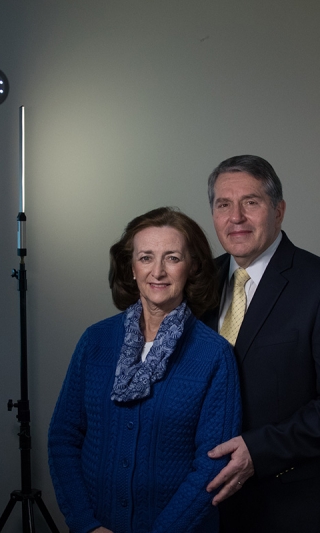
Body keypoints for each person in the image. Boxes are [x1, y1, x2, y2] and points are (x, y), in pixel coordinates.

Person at [48, 207, 242, 533]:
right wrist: (86, 525)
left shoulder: (214, 355)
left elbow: (212, 464)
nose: (158, 271)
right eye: (146, 257)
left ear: (192, 266)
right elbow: (63, 439)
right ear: (131, 268)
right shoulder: (95, 342)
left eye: (172, 258)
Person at [202, 155, 320, 533]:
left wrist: (259, 451)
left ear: (279, 210)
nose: (235, 217)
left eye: (250, 202)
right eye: (224, 204)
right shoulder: (200, 282)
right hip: (206, 501)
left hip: (285, 505)